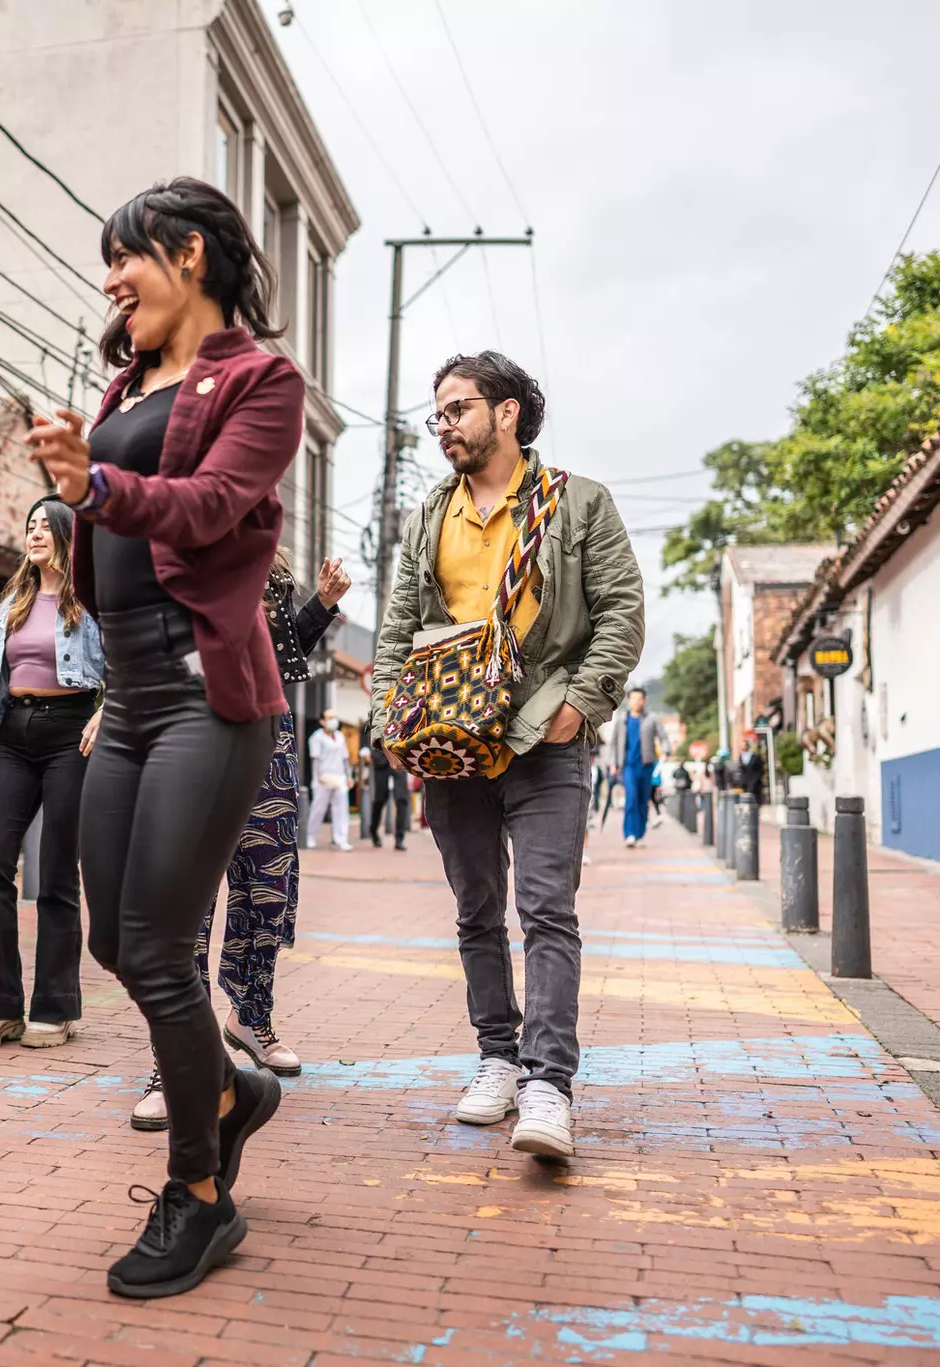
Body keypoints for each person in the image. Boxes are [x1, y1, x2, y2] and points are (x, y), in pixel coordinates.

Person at [27, 176, 297, 1299]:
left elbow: (205, 506)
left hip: (205, 693)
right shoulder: (124, 379)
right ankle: (234, 1088)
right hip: (125, 697)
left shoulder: (260, 383)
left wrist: (93, 481)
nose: (109, 282)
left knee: (154, 948)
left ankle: (198, 1193)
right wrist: (74, 485)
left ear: (186, 254)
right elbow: (114, 520)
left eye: (122, 258)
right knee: (114, 947)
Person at [369, 350, 643, 1161]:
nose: (444, 426)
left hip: (544, 741)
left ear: (509, 412)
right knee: (475, 910)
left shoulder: (577, 504)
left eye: (458, 409)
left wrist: (580, 702)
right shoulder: (430, 515)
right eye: (438, 414)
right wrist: (392, 717)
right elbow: (395, 630)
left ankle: (548, 1082)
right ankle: (496, 1054)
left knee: (547, 909)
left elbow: (622, 611)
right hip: (452, 744)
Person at [132, 554, 346, 1129]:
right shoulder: (174, 557)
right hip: (193, 736)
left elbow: (281, 656)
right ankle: (174, 1058)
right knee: (187, 912)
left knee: (266, 891)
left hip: (266, 739)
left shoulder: (267, 569)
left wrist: (320, 605)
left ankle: (251, 1017)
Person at [0, 499, 106, 1051]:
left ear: (67, 535)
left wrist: (105, 715)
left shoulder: (90, 602)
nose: (34, 532)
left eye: (45, 525)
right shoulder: (12, 603)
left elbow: (126, 669)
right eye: (30, 525)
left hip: (71, 734)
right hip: (15, 737)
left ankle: (56, 1007)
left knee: (56, 873)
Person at [608, 687, 661, 848]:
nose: (636, 702)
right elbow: (614, 743)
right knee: (631, 798)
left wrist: (666, 750)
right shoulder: (622, 720)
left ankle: (639, 833)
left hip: (646, 766)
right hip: (628, 766)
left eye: (640, 699)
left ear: (644, 701)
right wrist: (613, 763)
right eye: (633, 698)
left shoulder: (652, 719)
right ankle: (629, 834)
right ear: (628, 701)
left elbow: (663, 736)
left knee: (643, 800)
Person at [305, 709, 354, 851]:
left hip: (339, 777)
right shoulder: (316, 737)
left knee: (341, 809)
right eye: (330, 718)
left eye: (334, 717)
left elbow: (345, 759)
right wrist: (318, 776)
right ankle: (310, 836)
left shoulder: (340, 736)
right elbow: (315, 759)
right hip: (323, 777)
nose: (333, 720)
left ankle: (341, 839)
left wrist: (349, 776)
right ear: (322, 721)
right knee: (318, 809)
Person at [369, 735, 410, 851]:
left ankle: (399, 839)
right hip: (381, 760)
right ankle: (373, 830)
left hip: (398, 759)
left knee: (402, 799)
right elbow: (367, 729)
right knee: (379, 800)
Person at [736, 737, 766, 803]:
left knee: (753, 800)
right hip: (744, 783)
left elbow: (760, 769)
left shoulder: (754, 756)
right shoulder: (741, 756)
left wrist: (756, 779)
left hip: (754, 782)